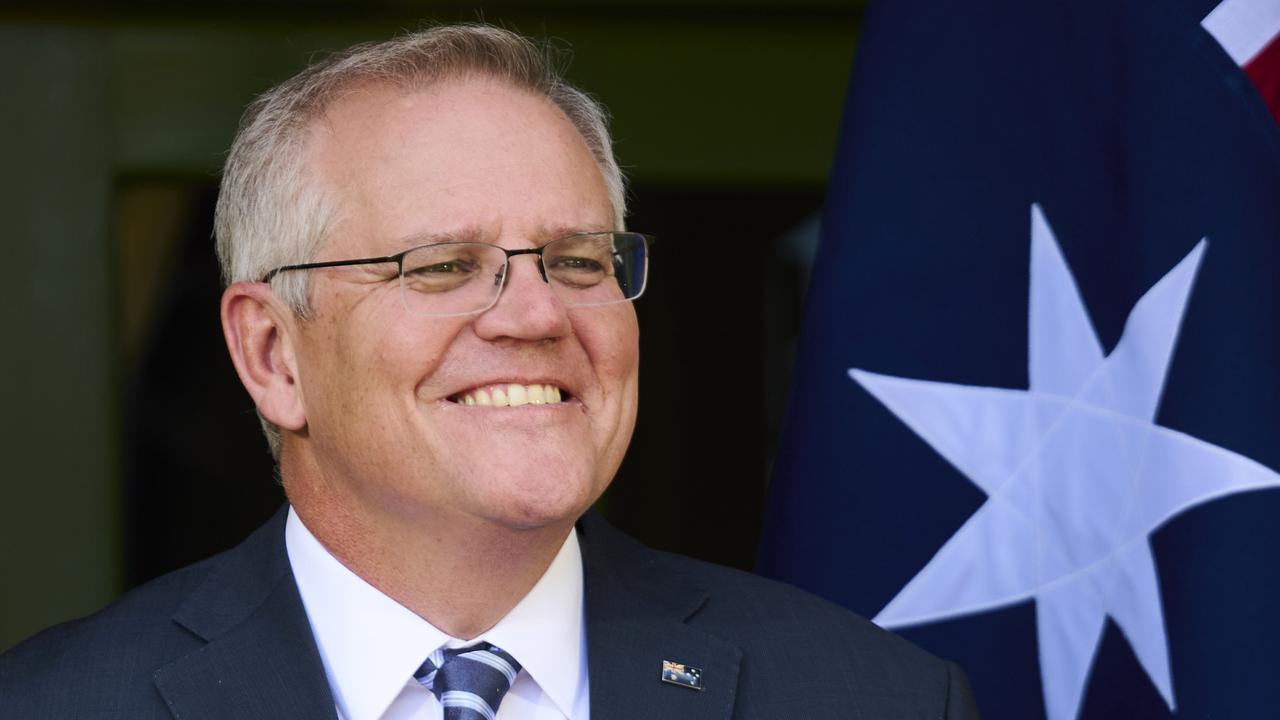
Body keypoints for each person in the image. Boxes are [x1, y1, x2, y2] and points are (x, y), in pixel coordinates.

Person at [0, 24, 979, 719]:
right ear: (271, 353)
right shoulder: (58, 706)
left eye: (578, 260)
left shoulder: (872, 697)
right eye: (440, 266)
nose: (537, 313)